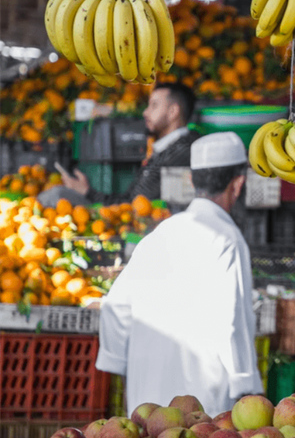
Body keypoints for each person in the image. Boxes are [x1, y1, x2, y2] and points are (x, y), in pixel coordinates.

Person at [95, 132, 262, 416]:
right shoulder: (227, 240)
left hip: (146, 405)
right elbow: (232, 321)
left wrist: (118, 363)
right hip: (203, 409)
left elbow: (114, 306)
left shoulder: (159, 235)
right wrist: (246, 384)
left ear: (191, 181)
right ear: (238, 184)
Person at [56, 83, 199, 205]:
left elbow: (143, 206)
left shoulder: (182, 153)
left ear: (173, 111)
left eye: (154, 106)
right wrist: (87, 191)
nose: (145, 112)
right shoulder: (166, 150)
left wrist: (88, 193)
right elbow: (132, 201)